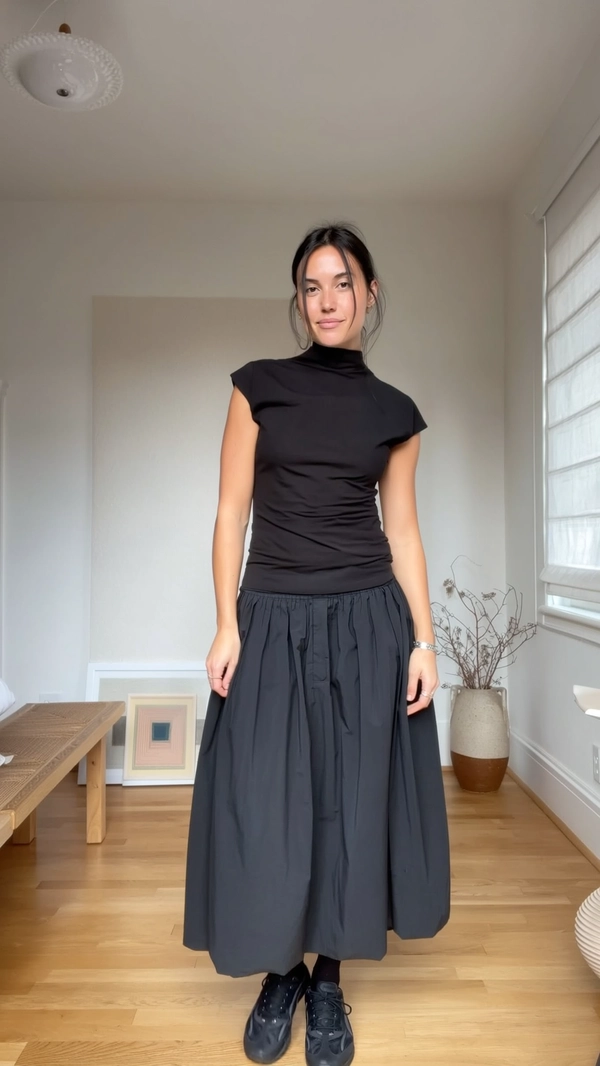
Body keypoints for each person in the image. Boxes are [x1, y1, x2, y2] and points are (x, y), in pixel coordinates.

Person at [183, 222, 451, 1066]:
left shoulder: (395, 413)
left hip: (368, 621)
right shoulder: (257, 388)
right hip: (272, 617)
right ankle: (280, 971)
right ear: (298, 300)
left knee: (348, 802)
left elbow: (402, 533)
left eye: (343, 282)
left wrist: (425, 640)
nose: (327, 300)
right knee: (266, 804)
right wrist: (227, 620)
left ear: (371, 293)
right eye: (311, 286)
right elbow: (231, 512)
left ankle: (328, 978)